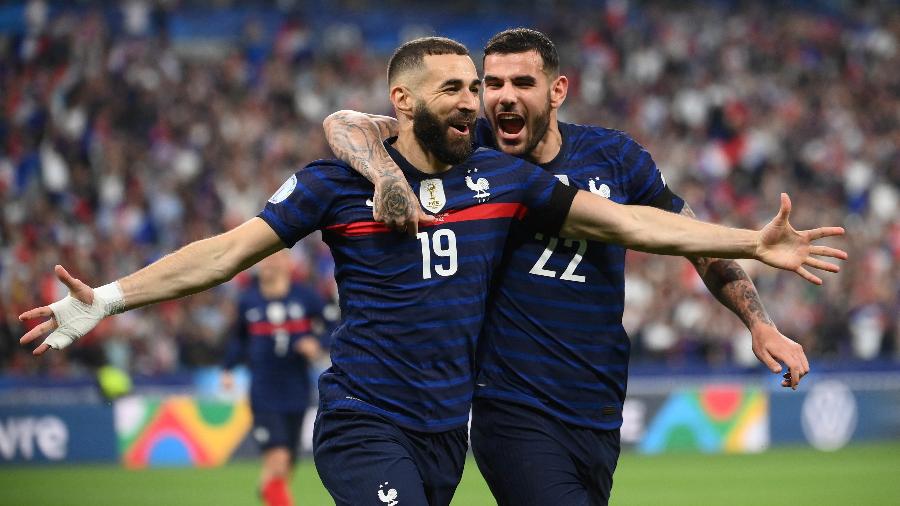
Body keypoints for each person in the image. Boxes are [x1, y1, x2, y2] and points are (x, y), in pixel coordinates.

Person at [19, 37, 845, 506]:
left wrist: (748, 241)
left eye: (476, 90)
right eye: (458, 89)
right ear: (404, 105)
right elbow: (227, 252)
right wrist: (112, 299)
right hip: (365, 418)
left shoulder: (507, 180)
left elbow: (634, 222)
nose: (475, 103)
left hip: (447, 433)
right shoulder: (335, 182)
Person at [322, 29, 843, 505]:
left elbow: (686, 239)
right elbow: (347, 122)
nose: (504, 97)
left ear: (557, 90)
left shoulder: (613, 157)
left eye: (523, 82)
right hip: (511, 405)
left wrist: (759, 319)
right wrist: (385, 174)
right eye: (493, 83)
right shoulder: (466, 148)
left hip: (596, 406)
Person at [220, 250, 327, 506]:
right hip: (264, 390)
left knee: (286, 464)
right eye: (266, 260)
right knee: (277, 458)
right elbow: (238, 339)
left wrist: (317, 343)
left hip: (297, 388)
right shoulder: (249, 301)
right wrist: (227, 368)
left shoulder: (305, 297)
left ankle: (269, 488)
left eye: (276, 259)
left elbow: (334, 325)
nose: (269, 264)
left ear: (288, 264)